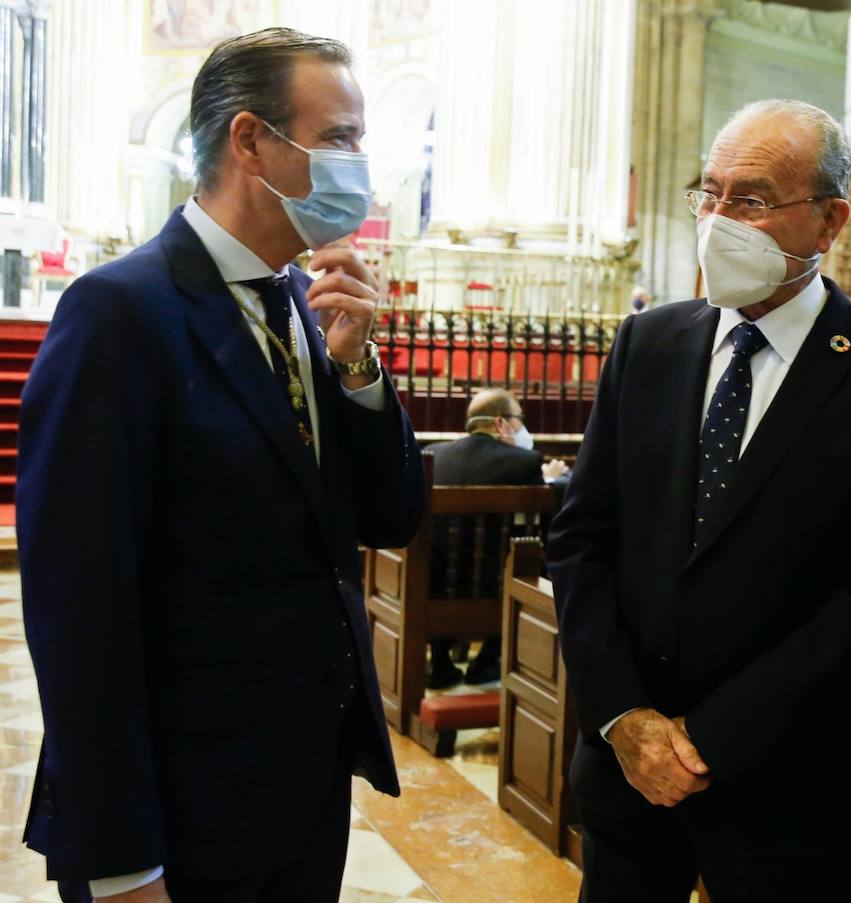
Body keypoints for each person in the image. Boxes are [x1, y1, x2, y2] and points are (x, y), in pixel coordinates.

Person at [18, 28, 426, 903]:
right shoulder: (119, 315)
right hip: (177, 810)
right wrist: (122, 859)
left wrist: (358, 372)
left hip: (299, 793)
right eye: (341, 139)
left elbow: (389, 516)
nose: (362, 166)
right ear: (250, 141)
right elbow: (79, 611)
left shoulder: (307, 308)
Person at [548, 99, 851, 900]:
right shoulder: (651, 343)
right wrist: (624, 716)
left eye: (753, 200)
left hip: (787, 786)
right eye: (711, 193)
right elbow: (582, 538)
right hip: (627, 773)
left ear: (831, 220)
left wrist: (707, 741)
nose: (719, 219)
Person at [426, 388, 544, 687]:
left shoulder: (431, 456)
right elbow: (536, 525)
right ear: (502, 423)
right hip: (498, 590)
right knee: (523, 557)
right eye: (519, 419)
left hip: (432, 586)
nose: (521, 427)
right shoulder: (525, 462)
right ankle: (488, 660)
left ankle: (439, 662)